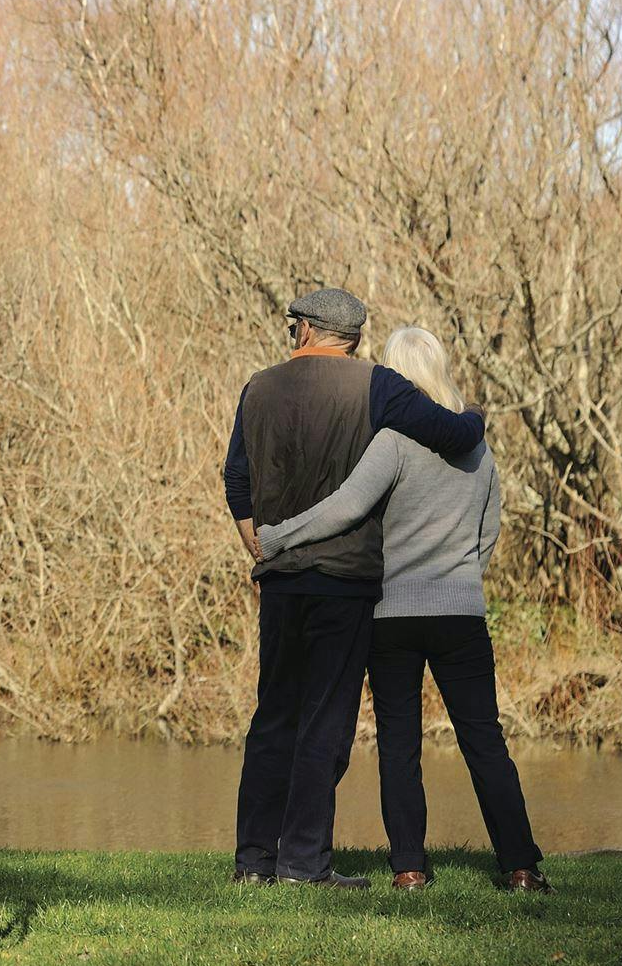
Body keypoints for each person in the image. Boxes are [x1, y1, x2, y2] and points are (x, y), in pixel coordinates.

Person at [255, 325, 548, 892]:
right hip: (461, 613)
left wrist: (278, 536)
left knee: (399, 743)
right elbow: (490, 531)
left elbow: (343, 509)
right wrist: (461, 579)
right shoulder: (477, 449)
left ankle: (410, 868)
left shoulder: (391, 441)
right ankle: (520, 866)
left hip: (391, 614)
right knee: (484, 740)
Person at [222, 288, 483, 888]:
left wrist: (257, 544)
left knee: (273, 717)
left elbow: (237, 479)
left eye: (293, 328)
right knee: (326, 722)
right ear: (355, 338)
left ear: (307, 331)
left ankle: (253, 862)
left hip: (281, 582)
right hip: (346, 582)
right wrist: (477, 418)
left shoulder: (256, 388)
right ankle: (304, 864)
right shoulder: (377, 387)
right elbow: (452, 434)